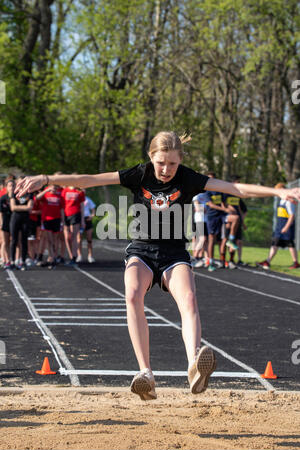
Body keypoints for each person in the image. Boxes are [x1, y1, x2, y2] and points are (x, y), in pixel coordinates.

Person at [15, 131, 300, 400]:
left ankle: (194, 365)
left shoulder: (188, 178)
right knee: (132, 294)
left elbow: (235, 188)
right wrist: (47, 178)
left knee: (188, 298)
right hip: (141, 251)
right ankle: (146, 374)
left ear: (181, 160)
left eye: (172, 163)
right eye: (161, 163)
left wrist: (276, 193)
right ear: (152, 158)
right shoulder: (140, 173)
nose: (166, 169)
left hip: (174, 254)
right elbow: (89, 179)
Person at [256, 183, 300, 270]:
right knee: (275, 243)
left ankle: (295, 263)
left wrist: (286, 227)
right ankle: (268, 261)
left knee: (290, 244)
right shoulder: (282, 201)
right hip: (280, 227)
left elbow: (291, 216)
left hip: (286, 227)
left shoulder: (288, 202)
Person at [36, 183, 65, 269]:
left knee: (55, 240)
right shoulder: (46, 195)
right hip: (47, 219)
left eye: (55, 187)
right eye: (52, 187)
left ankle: (52, 257)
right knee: (49, 240)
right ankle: (51, 258)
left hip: (56, 220)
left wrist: (63, 222)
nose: (54, 189)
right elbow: (37, 198)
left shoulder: (60, 197)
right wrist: (46, 190)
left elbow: (62, 210)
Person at [10, 176, 34, 270]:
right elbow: (13, 207)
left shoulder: (29, 193)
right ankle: (12, 261)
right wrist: (25, 208)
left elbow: (30, 207)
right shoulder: (14, 193)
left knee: (24, 241)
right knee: (14, 240)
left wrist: (19, 207)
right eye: (20, 182)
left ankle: (23, 261)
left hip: (25, 219)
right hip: (15, 218)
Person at [61, 185, 85, 265]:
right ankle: (71, 255)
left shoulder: (79, 191)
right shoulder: (65, 190)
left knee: (73, 237)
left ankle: (74, 257)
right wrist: (62, 218)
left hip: (75, 214)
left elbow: (82, 206)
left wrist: (82, 220)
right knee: (67, 238)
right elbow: (62, 205)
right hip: (66, 215)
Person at [76, 189, 96, 263]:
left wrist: (92, 216)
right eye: (81, 190)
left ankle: (90, 256)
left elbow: (93, 210)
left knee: (89, 239)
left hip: (87, 220)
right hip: (79, 220)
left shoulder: (88, 199)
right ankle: (79, 255)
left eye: (84, 190)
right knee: (79, 239)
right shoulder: (77, 199)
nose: (83, 191)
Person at [0, 176, 15, 269]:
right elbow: (0, 212)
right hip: (5, 221)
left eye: (13, 185)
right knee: (5, 242)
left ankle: (14, 259)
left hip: (14, 221)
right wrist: (1, 223)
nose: (12, 187)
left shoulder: (16, 197)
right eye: (10, 185)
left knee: (13, 241)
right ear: (6, 187)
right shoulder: (3, 198)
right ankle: (6, 260)